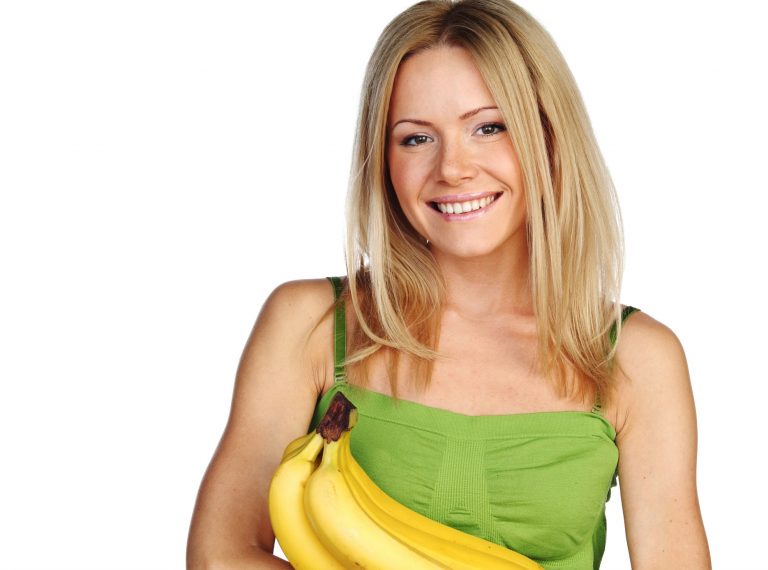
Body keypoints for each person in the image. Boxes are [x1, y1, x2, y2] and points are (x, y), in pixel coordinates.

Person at [187, 0, 711, 568]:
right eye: (416, 138)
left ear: (549, 137)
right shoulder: (309, 323)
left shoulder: (638, 358)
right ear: (382, 160)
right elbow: (220, 557)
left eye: (489, 127)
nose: (453, 168)